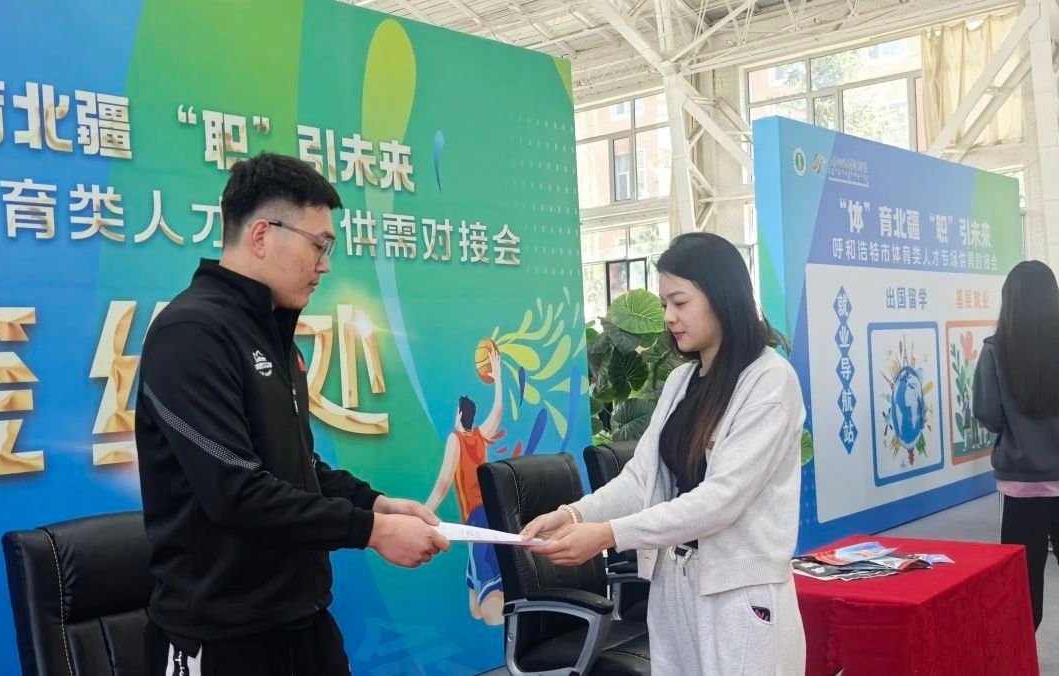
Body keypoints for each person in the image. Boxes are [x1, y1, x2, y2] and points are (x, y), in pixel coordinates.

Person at [135, 152, 450, 676]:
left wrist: (377, 503)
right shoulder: (190, 334)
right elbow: (237, 492)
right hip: (221, 639)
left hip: (301, 621)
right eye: (318, 245)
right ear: (262, 235)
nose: (326, 264)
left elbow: (297, 468)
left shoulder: (273, 333)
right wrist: (371, 530)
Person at [521, 232, 807, 675]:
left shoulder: (769, 381)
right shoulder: (680, 382)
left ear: (722, 297)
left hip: (738, 596)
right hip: (675, 583)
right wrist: (575, 515)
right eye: (664, 304)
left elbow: (721, 499)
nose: (669, 317)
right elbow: (641, 479)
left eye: (680, 302)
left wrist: (608, 535)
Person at [973, 259, 1059, 630]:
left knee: (1022, 591)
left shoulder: (995, 350)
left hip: (1023, 488)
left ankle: (1021, 658)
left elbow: (988, 413)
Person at [425, 341, 506, 624]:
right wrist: (498, 379)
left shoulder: (455, 439)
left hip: (477, 517)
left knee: (491, 604)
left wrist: (423, 512)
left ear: (459, 415)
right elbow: (498, 411)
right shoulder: (480, 436)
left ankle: (515, 637)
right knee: (475, 608)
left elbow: (443, 483)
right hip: (486, 514)